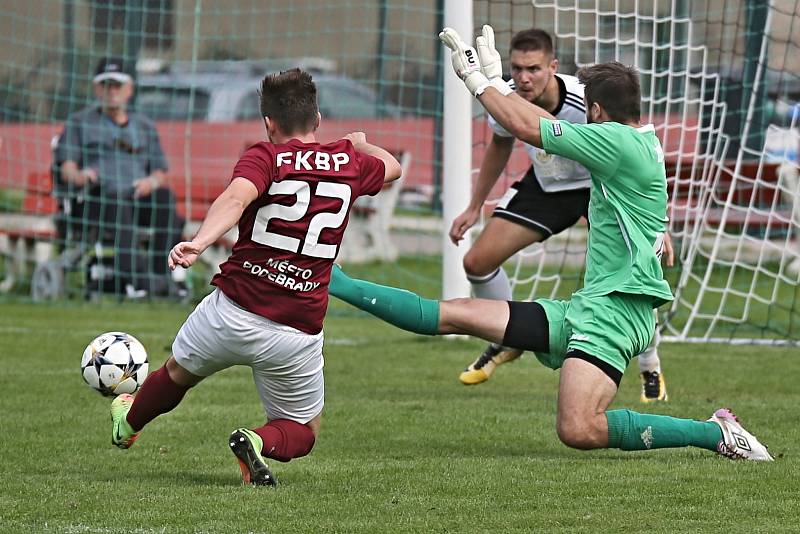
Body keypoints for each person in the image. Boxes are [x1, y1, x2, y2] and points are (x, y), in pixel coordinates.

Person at [327, 27, 773, 461]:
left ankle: (715, 432)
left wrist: (476, 82)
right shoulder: (633, 137)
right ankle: (334, 278)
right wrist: (501, 85)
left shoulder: (616, 143)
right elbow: (541, 119)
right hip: (587, 307)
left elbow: (530, 128)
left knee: (579, 429)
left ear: (596, 111)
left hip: (615, 317)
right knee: (451, 315)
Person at [109, 68, 403, 485]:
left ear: (269, 123)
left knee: (177, 373)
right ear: (317, 117)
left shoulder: (263, 156)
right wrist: (360, 143)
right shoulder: (348, 160)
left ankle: (127, 424)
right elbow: (392, 168)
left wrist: (200, 241)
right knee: (304, 431)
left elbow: (235, 198)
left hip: (231, 311)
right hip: (296, 330)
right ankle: (256, 440)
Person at [450, 27, 669, 403]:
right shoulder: (514, 97)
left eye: (533, 68)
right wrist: (475, 206)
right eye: (516, 68)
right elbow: (504, 139)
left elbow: (528, 126)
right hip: (549, 187)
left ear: (553, 67)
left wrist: (476, 80)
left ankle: (649, 364)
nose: (523, 77)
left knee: (624, 273)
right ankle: (509, 339)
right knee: (477, 261)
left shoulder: (589, 104)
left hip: (595, 187)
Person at [55, 57, 185, 297]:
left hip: (137, 195)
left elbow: (159, 172)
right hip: (99, 198)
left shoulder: (144, 126)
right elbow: (66, 168)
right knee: (114, 199)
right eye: (106, 85)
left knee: (165, 198)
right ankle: (138, 278)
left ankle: (162, 273)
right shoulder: (79, 123)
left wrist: (151, 182)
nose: (111, 91)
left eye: (117, 85)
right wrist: (80, 176)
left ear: (129, 89)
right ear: (96, 88)